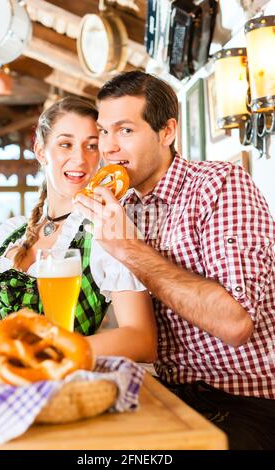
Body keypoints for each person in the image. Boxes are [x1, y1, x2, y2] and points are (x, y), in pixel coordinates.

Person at [74, 71, 275, 450]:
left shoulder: (218, 186)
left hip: (242, 401)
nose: (109, 148)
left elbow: (235, 323)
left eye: (125, 131)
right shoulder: (120, 206)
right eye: (103, 132)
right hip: (158, 390)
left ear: (167, 132)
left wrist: (130, 248)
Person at [0, 96, 157, 363]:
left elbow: (141, 340)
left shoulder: (107, 231)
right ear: (40, 151)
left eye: (91, 146)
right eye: (65, 144)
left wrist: (50, 354)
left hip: (61, 385)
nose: (79, 158)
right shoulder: (11, 232)